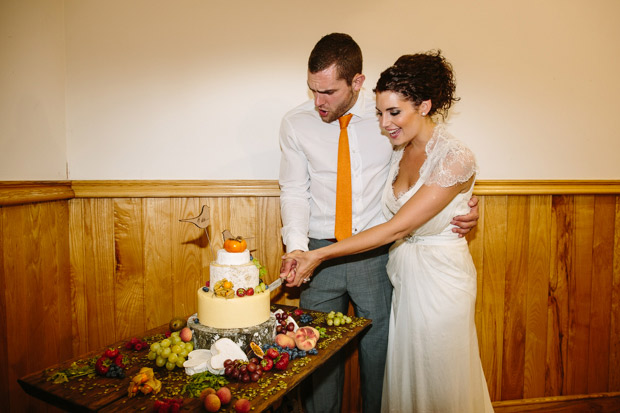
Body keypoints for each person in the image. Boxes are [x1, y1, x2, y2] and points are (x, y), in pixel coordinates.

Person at [283, 50, 494, 412]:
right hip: (399, 272)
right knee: (396, 375)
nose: (384, 122)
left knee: (424, 373)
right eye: (381, 114)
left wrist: (465, 208)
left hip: (421, 274)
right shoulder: (399, 147)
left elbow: (404, 219)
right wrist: (302, 247)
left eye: (393, 113)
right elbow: (295, 190)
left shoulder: (441, 148)